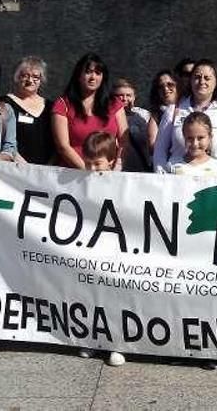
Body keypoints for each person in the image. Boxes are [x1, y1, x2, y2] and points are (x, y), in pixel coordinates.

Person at [78, 131, 125, 366]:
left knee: (114, 297)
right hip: (91, 250)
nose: (92, 169)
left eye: (97, 164)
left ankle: (117, 343)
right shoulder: (80, 183)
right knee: (91, 294)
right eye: (88, 164)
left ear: (111, 162)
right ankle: (93, 338)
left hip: (115, 252)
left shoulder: (125, 185)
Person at [153, 59, 217, 175]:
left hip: (214, 183)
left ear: (216, 82)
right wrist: (163, 180)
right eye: (197, 77)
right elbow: (160, 151)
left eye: (207, 78)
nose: (201, 81)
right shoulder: (174, 110)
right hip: (176, 181)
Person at [52, 53, 128, 169]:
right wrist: (88, 171)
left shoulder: (114, 103)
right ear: (78, 75)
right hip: (74, 174)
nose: (93, 77)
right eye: (88, 72)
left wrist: (116, 167)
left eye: (98, 73)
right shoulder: (63, 104)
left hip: (109, 175)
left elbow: (124, 141)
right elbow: (63, 146)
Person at [2, 55, 54, 164]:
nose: (30, 80)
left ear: (41, 79)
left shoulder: (50, 106)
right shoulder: (4, 103)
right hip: (14, 166)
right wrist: (21, 163)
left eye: (35, 77)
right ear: (17, 77)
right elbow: (0, 136)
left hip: (46, 170)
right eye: (25, 75)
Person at [166, 112, 217, 177]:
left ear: (210, 137)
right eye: (190, 138)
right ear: (184, 137)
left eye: (200, 138)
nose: (195, 144)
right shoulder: (173, 165)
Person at [112, 78, 151, 172]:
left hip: (141, 165)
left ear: (134, 97)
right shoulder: (108, 116)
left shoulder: (144, 115)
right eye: (120, 95)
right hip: (115, 166)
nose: (124, 99)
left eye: (128, 95)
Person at [146, 70, 179, 152]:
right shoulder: (157, 115)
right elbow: (152, 146)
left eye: (170, 84)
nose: (165, 89)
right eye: (161, 86)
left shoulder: (189, 107)